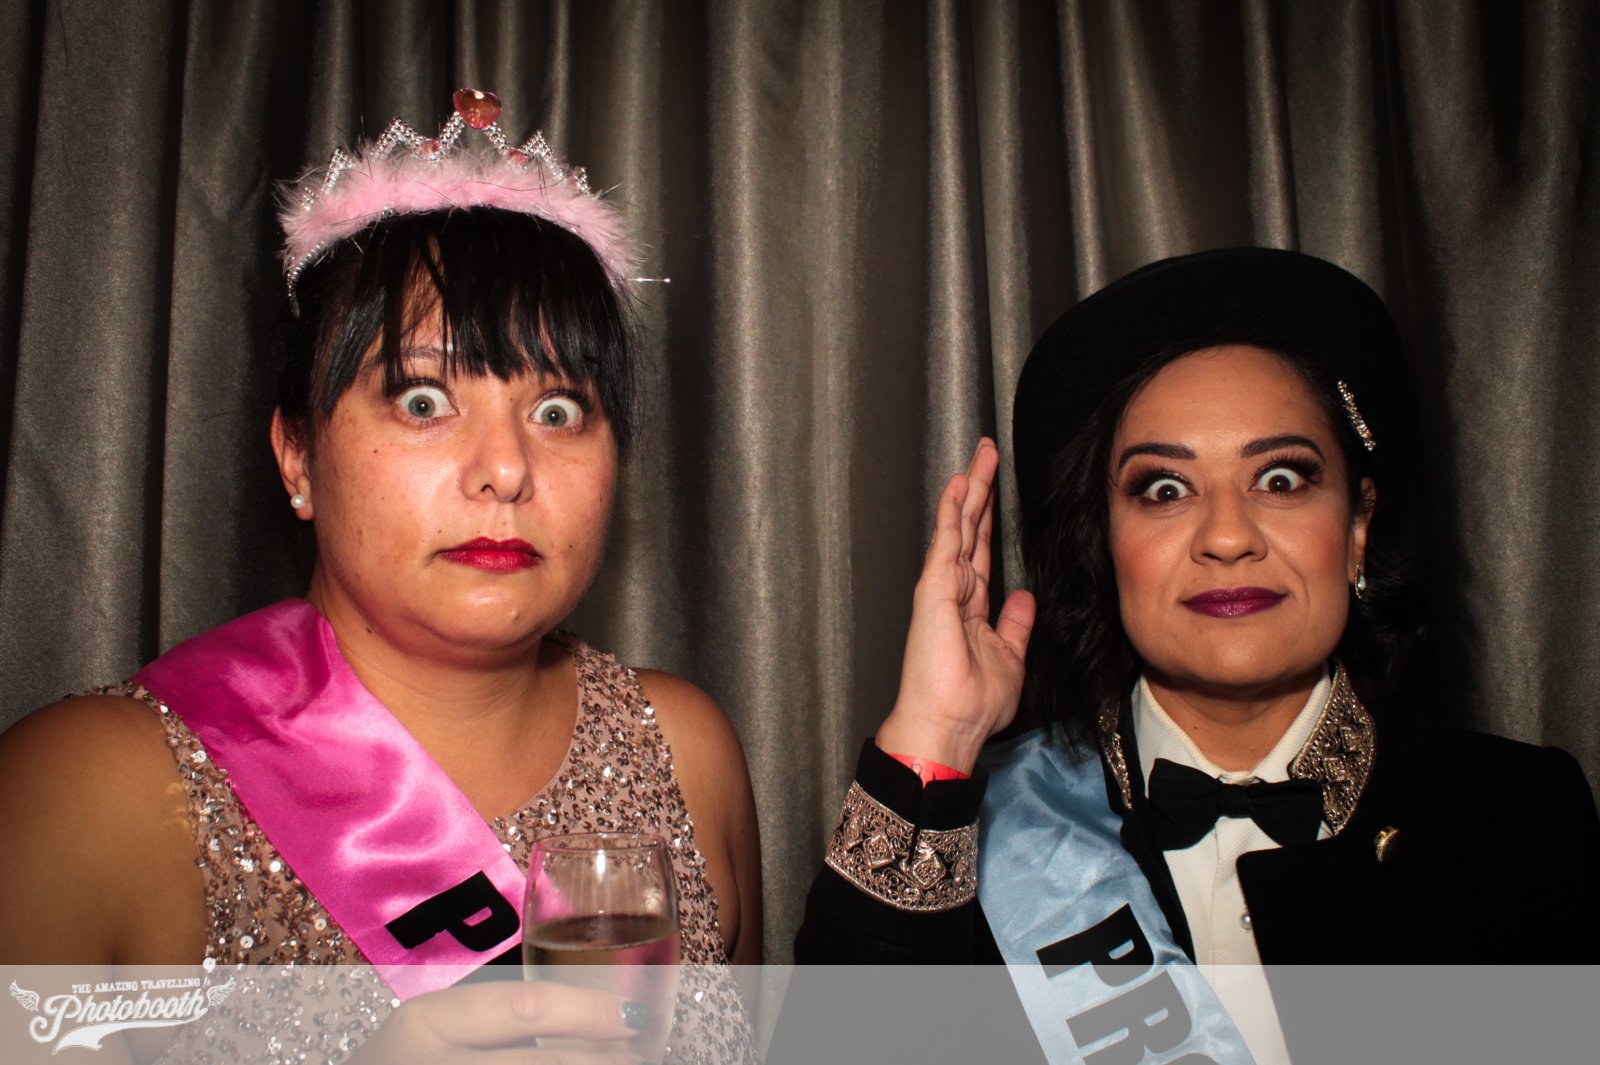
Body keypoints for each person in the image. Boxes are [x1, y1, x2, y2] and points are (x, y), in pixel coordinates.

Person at [0, 89, 760, 1064]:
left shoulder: (684, 749)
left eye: (559, 412)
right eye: (423, 399)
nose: (507, 468)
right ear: (298, 456)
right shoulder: (84, 794)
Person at [793, 249, 1600, 1063]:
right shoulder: (978, 838)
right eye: (1165, 489)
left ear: (1358, 527)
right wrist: (936, 736)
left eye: (1280, 479)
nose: (1226, 536)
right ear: (1106, 544)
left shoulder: (1520, 818)